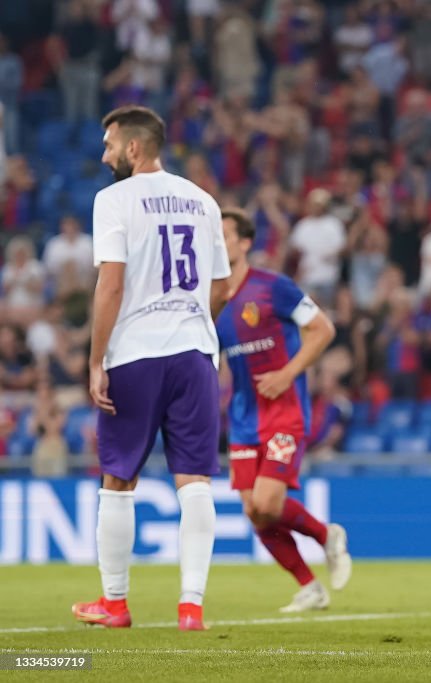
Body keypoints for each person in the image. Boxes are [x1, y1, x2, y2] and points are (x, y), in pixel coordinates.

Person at [74, 105, 231, 631]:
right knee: (196, 482)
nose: (105, 154)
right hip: (193, 355)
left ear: (133, 148)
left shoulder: (113, 200)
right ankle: (192, 607)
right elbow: (222, 286)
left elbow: (111, 285)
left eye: (109, 144)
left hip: (135, 354)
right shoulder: (204, 201)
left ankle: (115, 604)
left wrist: (96, 361)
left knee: (118, 481)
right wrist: (190, 324)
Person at [215, 207, 351, 612]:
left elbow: (323, 329)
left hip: (284, 412)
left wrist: (287, 374)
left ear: (244, 243)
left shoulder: (273, 286)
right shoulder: (212, 297)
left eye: (224, 234)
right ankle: (310, 586)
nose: (217, 242)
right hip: (242, 417)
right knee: (254, 513)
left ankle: (326, 535)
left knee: (268, 504)